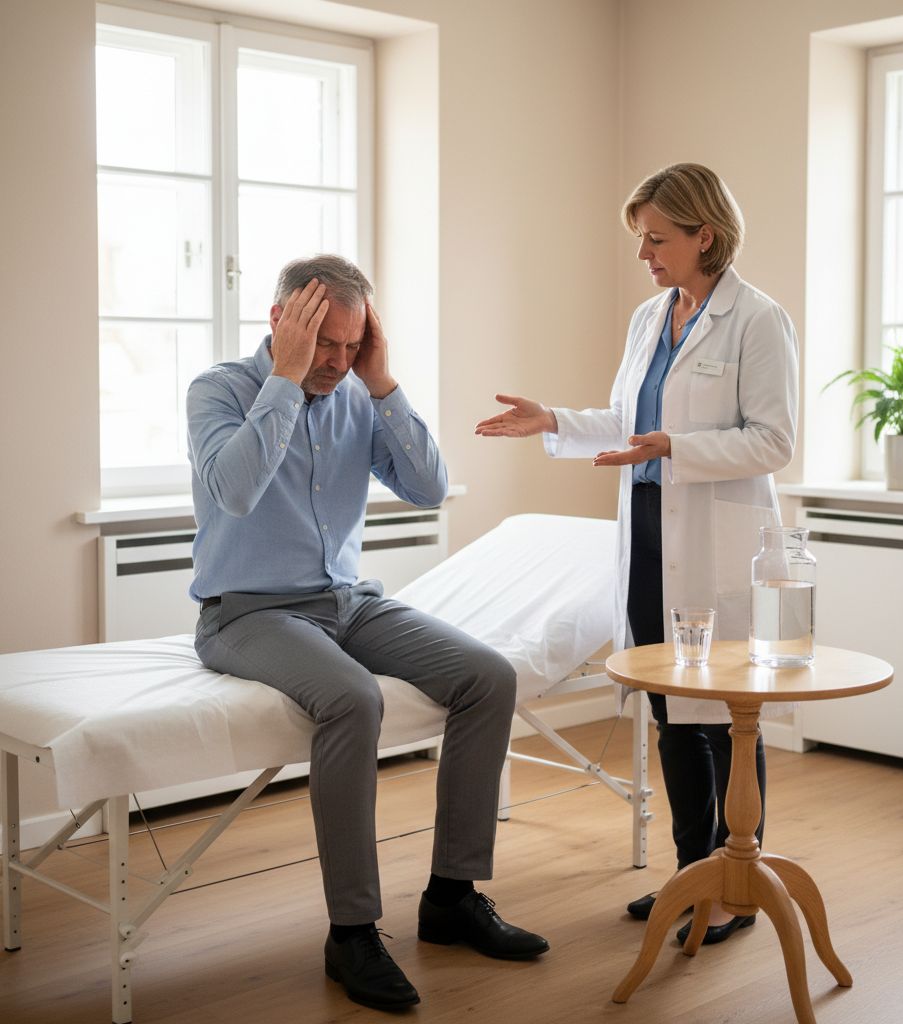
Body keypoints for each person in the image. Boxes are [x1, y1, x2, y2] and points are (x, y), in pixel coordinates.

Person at [187, 254, 548, 1013]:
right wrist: (286, 380)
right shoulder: (220, 390)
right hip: (246, 612)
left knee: (489, 676)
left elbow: (429, 488)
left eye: (353, 345)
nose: (337, 361)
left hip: (347, 602)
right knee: (353, 699)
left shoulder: (357, 391)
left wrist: (381, 383)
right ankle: (351, 932)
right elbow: (237, 492)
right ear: (281, 320)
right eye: (325, 342)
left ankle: (452, 897)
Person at [476, 163, 797, 946]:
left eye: (656, 239)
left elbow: (774, 441)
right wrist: (553, 419)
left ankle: (737, 888)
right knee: (670, 711)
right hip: (650, 536)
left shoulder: (758, 319)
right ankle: (691, 877)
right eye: (641, 239)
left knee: (725, 721)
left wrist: (675, 446)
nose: (643, 254)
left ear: (704, 236)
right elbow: (629, 422)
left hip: (717, 542)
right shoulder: (651, 317)